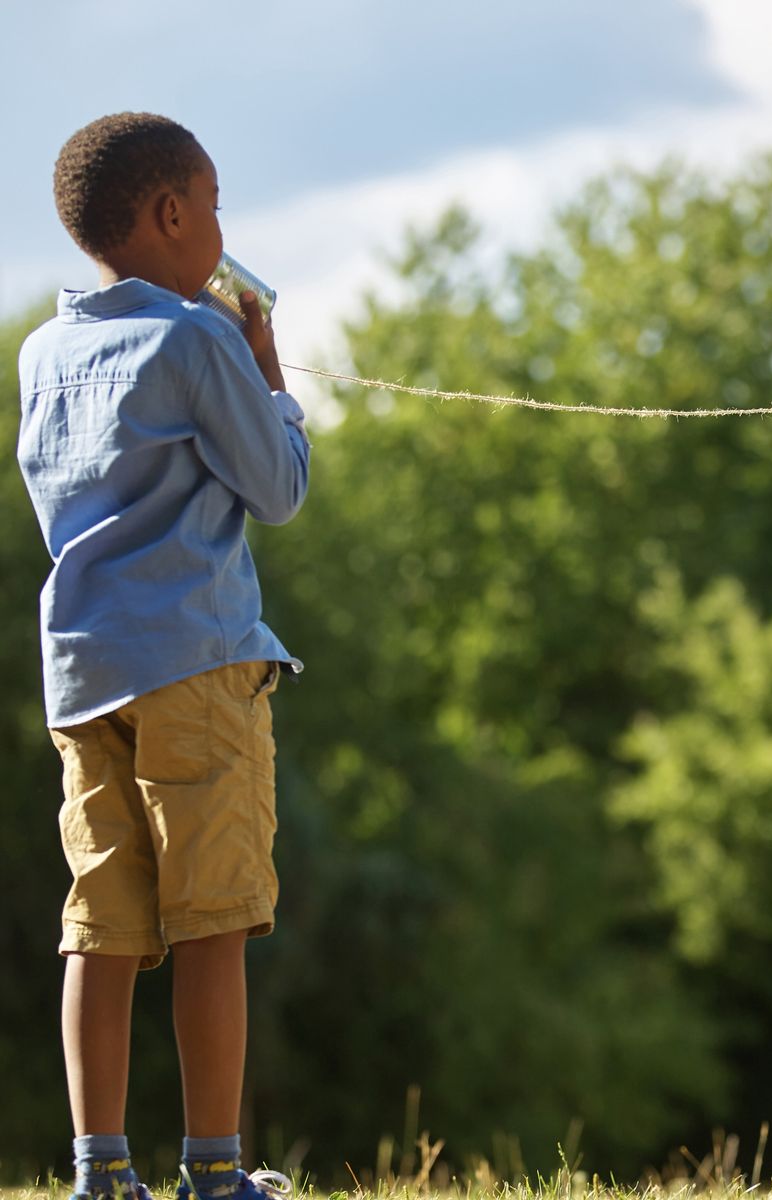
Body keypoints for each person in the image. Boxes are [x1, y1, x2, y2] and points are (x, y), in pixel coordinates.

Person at [17, 112, 310, 1200]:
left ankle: (99, 1172)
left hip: (83, 675)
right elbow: (277, 489)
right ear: (172, 213)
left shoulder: (41, 353)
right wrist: (269, 380)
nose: (222, 227)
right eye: (216, 205)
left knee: (99, 922)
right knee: (213, 920)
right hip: (195, 662)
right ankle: (215, 1172)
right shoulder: (195, 339)